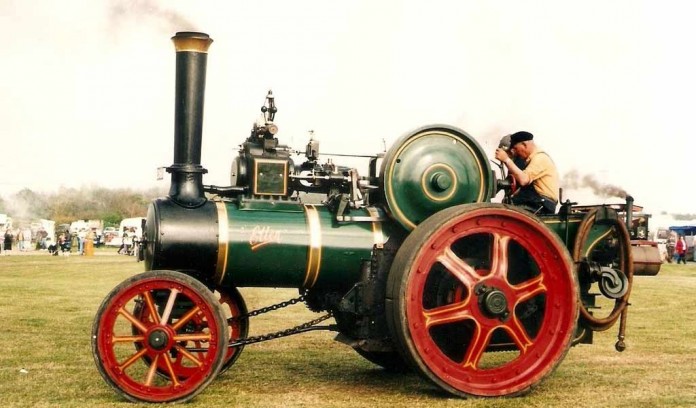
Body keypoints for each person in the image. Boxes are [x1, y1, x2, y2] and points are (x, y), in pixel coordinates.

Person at [494, 131, 559, 214]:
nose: (515, 152)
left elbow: (523, 180)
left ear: (524, 145)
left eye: (516, 149)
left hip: (541, 205)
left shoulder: (540, 158)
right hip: (535, 203)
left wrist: (506, 160)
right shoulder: (530, 160)